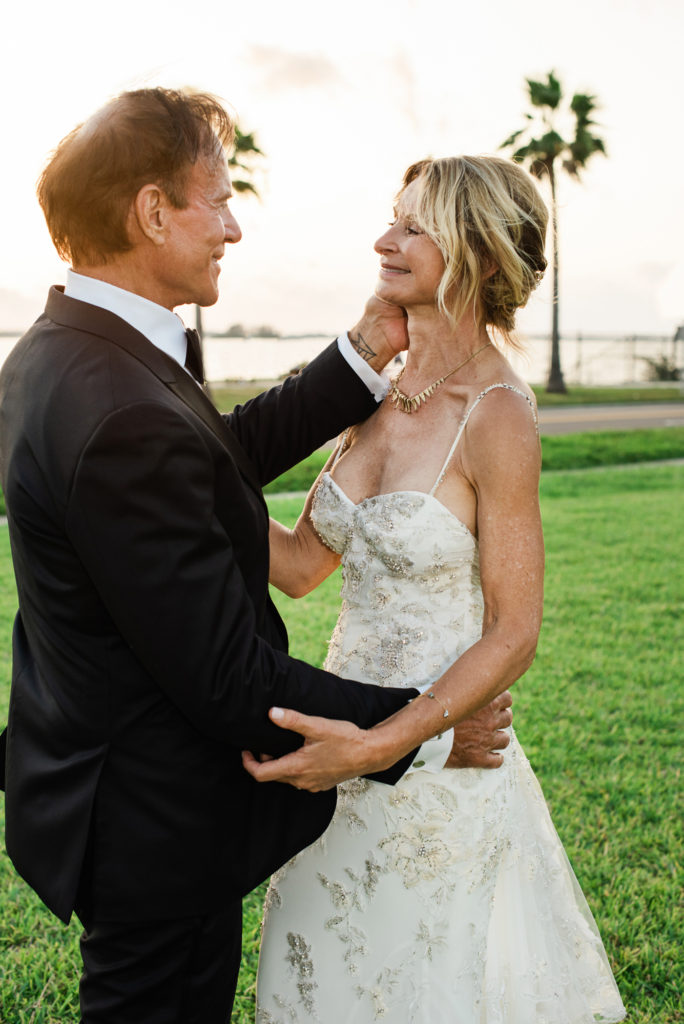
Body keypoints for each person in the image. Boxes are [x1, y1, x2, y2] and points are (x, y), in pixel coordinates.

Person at [0, 90, 512, 1023]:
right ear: (153, 212)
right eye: (219, 200)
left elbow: (204, 460)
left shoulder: (75, 350)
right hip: (152, 816)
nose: (233, 228)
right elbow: (231, 677)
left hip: (106, 780)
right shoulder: (115, 404)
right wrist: (425, 730)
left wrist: (361, 352)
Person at [247, 156, 627, 1022]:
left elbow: (513, 629)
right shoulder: (375, 390)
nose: (385, 240)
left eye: (414, 226)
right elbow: (303, 564)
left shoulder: (498, 414)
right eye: (392, 219)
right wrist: (186, 464)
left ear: (482, 255)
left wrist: (390, 744)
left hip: (437, 761)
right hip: (338, 745)